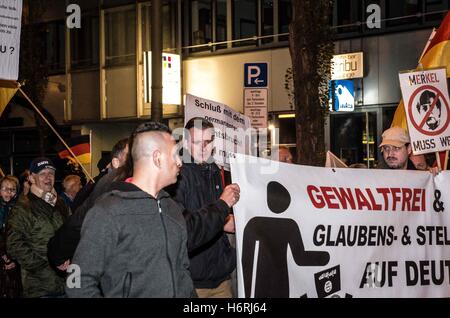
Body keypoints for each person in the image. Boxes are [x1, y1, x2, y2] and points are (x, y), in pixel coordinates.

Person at [66, 122, 194, 297]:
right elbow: (78, 283)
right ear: (157, 158)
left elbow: (183, 270)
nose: (180, 162)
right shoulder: (108, 211)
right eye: (175, 155)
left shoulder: (171, 207)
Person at [171, 117, 240, 298]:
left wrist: (225, 219)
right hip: (192, 281)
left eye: (208, 142)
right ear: (186, 142)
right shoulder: (175, 176)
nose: (203, 148)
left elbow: (213, 211)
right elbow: (183, 227)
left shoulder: (215, 170)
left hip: (221, 276)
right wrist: (222, 208)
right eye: (196, 142)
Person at [48, 138, 129, 268]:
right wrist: (58, 254)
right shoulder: (107, 188)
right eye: (131, 156)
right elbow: (80, 222)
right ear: (115, 162)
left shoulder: (151, 187)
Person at [7, 158, 70, 297]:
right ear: (31, 178)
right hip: (40, 287)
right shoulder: (23, 207)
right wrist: (45, 267)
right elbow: (13, 244)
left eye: (51, 173)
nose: (48, 177)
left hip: (67, 284)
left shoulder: (59, 203)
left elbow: (71, 232)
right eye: (42, 173)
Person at [0, 176, 22, 298]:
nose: (9, 192)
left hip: (15, 259)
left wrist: (12, 258)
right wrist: (4, 256)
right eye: (5, 188)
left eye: (12, 189)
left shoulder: (20, 209)